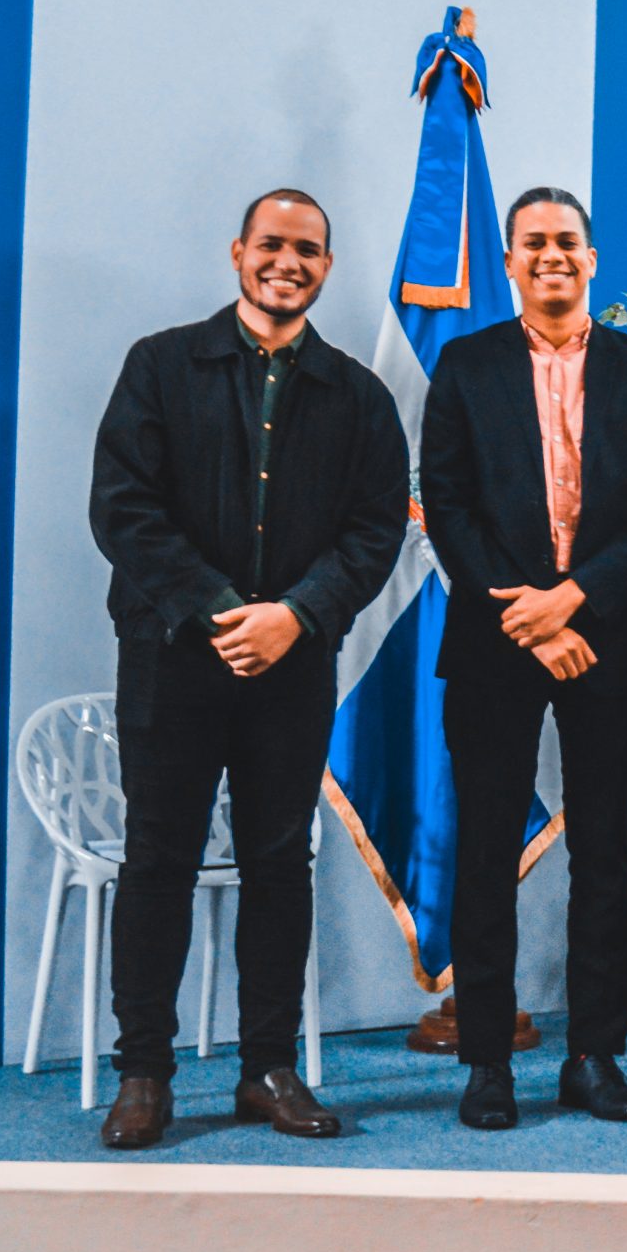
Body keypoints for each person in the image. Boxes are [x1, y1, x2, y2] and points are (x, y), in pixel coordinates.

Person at [88, 190, 408, 1149]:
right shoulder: (160, 365)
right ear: (238, 253)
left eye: (307, 250)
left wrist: (296, 617)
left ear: (326, 266)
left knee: (280, 867)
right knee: (159, 866)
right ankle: (145, 1072)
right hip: (172, 659)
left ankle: (267, 1069)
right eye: (272, 244)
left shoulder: (359, 396)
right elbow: (122, 509)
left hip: (293, 668)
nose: (288, 262)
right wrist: (226, 612)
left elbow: (375, 530)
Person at [419, 188, 627, 1130]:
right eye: (532, 243)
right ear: (509, 262)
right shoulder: (464, 365)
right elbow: (445, 506)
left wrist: (574, 601)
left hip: (608, 642)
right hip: (496, 642)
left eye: (566, 242)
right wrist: (530, 616)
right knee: (487, 854)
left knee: (606, 856)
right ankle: (487, 1062)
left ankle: (595, 1056)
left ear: (592, 256)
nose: (551, 257)